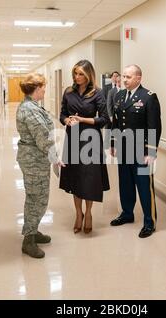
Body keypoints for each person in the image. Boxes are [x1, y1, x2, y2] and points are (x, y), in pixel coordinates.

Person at [110, 65, 162, 238]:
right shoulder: (119, 96)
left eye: (128, 77)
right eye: (123, 76)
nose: (124, 80)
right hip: (124, 148)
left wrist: (151, 151)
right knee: (125, 183)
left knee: (144, 186)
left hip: (142, 150)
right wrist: (113, 143)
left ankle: (150, 222)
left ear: (138, 78)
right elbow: (115, 122)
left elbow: (154, 125)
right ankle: (127, 214)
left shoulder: (148, 97)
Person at [16, 73, 64, 259]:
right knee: (37, 198)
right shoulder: (30, 110)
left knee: (37, 196)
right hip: (34, 160)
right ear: (36, 88)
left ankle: (33, 230)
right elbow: (43, 138)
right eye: (43, 86)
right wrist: (55, 158)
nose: (45, 89)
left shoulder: (33, 106)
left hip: (36, 158)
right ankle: (28, 240)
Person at [59, 60, 110, 234]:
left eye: (81, 74)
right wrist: (67, 120)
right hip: (73, 139)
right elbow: (62, 114)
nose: (77, 77)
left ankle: (88, 213)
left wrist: (82, 119)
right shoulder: (68, 92)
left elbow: (104, 119)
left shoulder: (98, 93)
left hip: (91, 140)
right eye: (75, 73)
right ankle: (78, 214)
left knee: (90, 179)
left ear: (89, 75)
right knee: (75, 177)